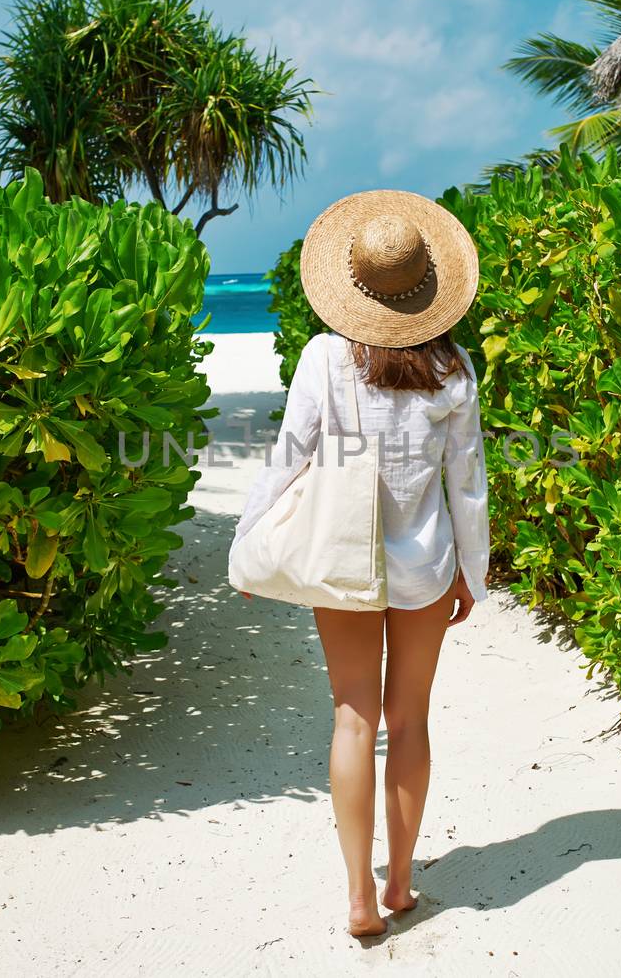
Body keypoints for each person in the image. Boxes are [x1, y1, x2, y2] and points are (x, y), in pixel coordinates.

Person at [231, 189, 490, 937]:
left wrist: (250, 544)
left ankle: (356, 896)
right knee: (409, 721)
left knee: (353, 720)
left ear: (355, 283)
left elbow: (289, 459)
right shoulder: (453, 367)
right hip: (425, 566)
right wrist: (473, 571)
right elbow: (466, 482)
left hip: (340, 564)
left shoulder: (324, 357)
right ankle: (401, 883)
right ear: (426, 286)